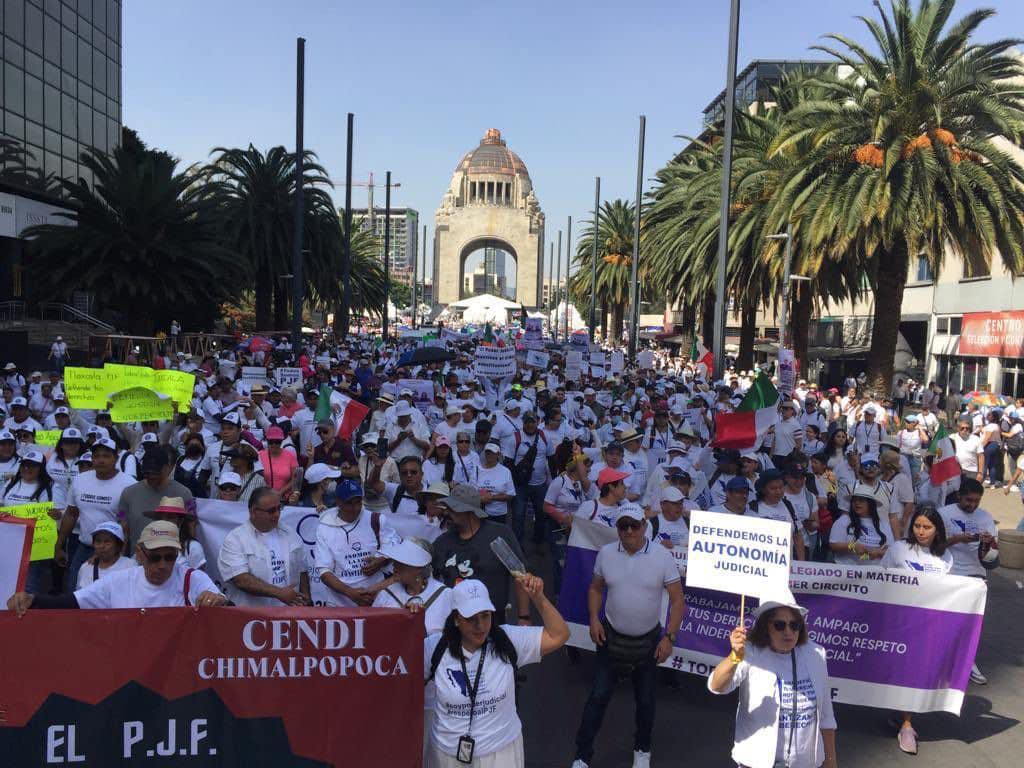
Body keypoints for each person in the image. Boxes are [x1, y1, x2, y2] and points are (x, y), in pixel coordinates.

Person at [571, 505, 685, 768]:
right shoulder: (606, 553)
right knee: (598, 697)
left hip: (648, 641)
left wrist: (670, 637)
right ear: (618, 529)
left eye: (634, 525)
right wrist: (593, 619)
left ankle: (642, 750)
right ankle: (581, 755)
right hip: (610, 638)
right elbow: (595, 589)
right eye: (624, 526)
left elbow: (678, 600)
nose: (629, 531)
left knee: (645, 701)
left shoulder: (662, 556)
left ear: (645, 526)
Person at [424, 576, 568, 768]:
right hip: (447, 756)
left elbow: (559, 635)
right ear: (457, 619)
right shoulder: (434, 648)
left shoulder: (509, 639)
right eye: (471, 618)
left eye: (485, 615)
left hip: (501, 754)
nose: (480, 625)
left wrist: (538, 598)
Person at [708, 588, 838, 768]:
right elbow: (716, 686)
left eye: (795, 625)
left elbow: (826, 715)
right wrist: (734, 657)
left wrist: (830, 761)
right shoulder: (750, 652)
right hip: (754, 763)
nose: (788, 632)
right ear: (765, 627)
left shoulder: (815, 654)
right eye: (779, 625)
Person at [8, 521, 227, 612]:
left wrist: (219, 601)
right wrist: (33, 599)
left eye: (170, 557)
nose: (163, 565)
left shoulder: (193, 578)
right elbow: (72, 602)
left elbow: (229, 610)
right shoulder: (120, 580)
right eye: (155, 557)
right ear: (140, 554)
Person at [881, 503, 953, 754]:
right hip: (900, 622)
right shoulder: (899, 549)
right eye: (917, 526)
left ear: (938, 530)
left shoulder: (944, 556)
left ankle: (904, 718)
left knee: (915, 673)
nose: (921, 531)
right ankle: (907, 724)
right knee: (903, 671)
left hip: (928, 625)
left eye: (927, 527)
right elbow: (881, 580)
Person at [431, 484, 530, 625]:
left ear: (469, 511)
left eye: (453, 508)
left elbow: (520, 576)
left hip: (494, 623)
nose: (447, 513)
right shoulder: (442, 542)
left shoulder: (499, 535)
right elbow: (428, 580)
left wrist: (524, 618)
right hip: (456, 623)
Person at [55, 437, 136, 591]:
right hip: (84, 547)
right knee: (74, 592)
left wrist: (118, 556)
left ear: (116, 458)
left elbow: (126, 524)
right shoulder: (80, 480)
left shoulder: (128, 484)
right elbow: (71, 514)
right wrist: (59, 546)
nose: (101, 460)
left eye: (106, 456)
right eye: (97, 456)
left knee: (111, 594)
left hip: (114, 551)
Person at [938, 478, 998, 684]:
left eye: (977, 501)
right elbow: (935, 548)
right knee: (947, 621)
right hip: (949, 573)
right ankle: (941, 661)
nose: (972, 505)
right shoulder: (944, 514)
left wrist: (988, 543)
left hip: (976, 575)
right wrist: (957, 539)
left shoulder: (986, 517)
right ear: (959, 497)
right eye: (968, 500)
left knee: (971, 623)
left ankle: (967, 662)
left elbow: (992, 554)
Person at [217, 487, 310, 607]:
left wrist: (307, 600)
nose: (277, 514)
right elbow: (240, 579)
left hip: (288, 617)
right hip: (252, 618)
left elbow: (302, 569)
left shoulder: (290, 533)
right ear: (254, 512)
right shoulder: (235, 539)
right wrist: (279, 593)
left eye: (279, 508)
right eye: (271, 511)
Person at [315, 479, 399, 607]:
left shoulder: (376, 520)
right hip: (340, 603)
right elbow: (324, 572)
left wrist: (382, 560)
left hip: (377, 598)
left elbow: (395, 547)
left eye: (358, 502)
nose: (355, 508)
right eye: (349, 503)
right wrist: (350, 592)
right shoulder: (325, 527)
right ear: (338, 502)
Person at [117, 445, 195, 550]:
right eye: (147, 473)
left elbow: (191, 524)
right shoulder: (128, 493)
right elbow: (122, 524)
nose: (151, 476)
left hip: (172, 559)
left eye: (156, 472)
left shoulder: (185, 494)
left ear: (168, 467)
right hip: (139, 558)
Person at [829, 484, 892, 566]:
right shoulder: (843, 521)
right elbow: (833, 545)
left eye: (861, 500)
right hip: (847, 573)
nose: (857, 503)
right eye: (854, 500)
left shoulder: (883, 524)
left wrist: (878, 552)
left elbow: (890, 548)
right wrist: (852, 547)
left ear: (871, 504)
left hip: (875, 573)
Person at [146, 496, 207, 570]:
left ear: (180, 521)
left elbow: (199, 578)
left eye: (170, 517)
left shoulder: (192, 547)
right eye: (160, 518)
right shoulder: (147, 544)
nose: (164, 521)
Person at [75, 520, 136, 588]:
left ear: (118, 545)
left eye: (107, 541)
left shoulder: (130, 566)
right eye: (98, 541)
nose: (102, 546)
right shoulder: (85, 568)